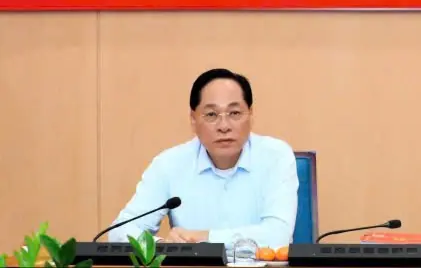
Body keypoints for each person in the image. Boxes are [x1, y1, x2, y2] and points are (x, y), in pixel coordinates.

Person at [107, 68, 299, 247]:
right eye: (211, 114)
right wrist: (164, 247)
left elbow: (278, 236)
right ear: (193, 119)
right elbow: (120, 231)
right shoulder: (169, 164)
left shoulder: (276, 157)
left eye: (234, 113)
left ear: (250, 114)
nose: (224, 126)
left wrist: (205, 238)